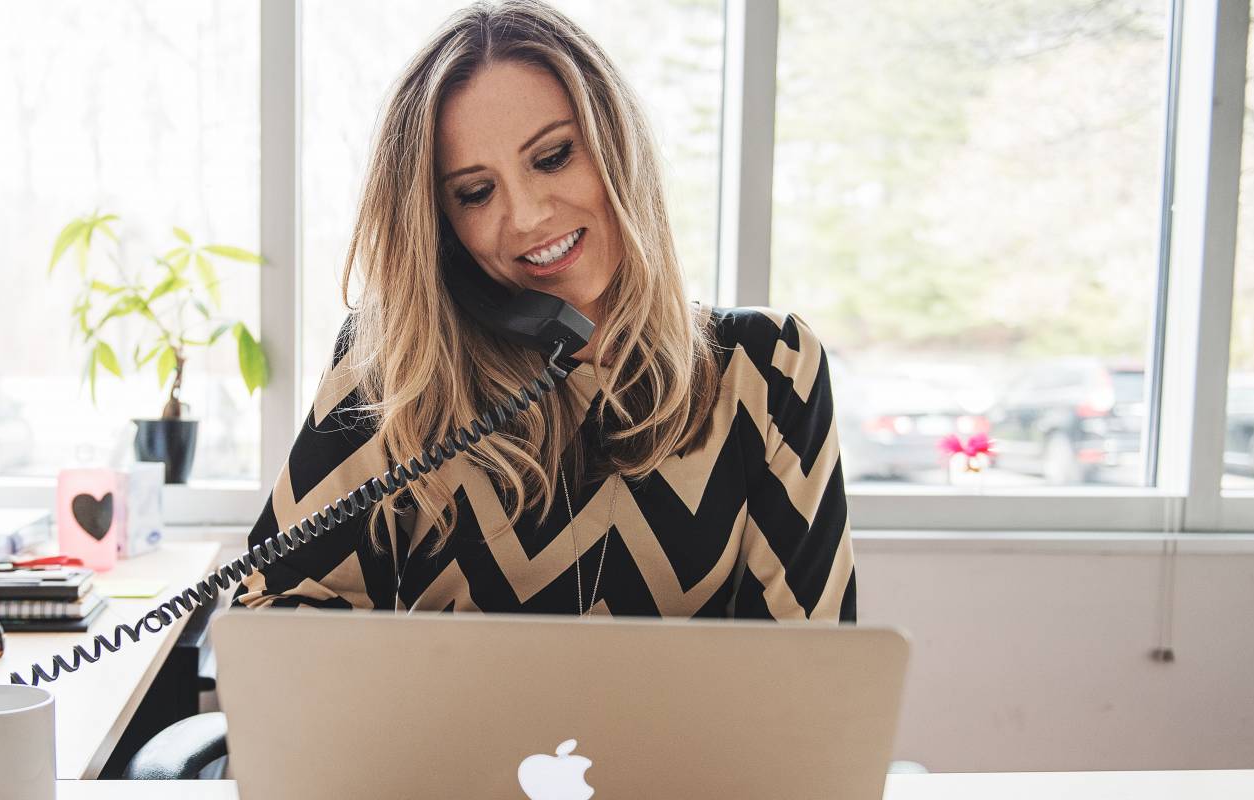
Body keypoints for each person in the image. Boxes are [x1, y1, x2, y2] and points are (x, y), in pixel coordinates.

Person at [234, 0, 854, 621]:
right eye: (476, 193)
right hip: (445, 725)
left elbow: (815, 675)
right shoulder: (394, 364)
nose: (527, 217)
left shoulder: (769, 367)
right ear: (443, 230)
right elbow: (268, 616)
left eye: (553, 157)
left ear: (617, 149)